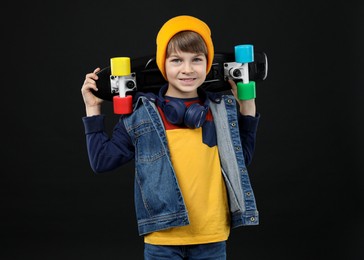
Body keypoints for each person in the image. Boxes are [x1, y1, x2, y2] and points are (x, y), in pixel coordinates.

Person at [81, 15, 260, 260]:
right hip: (163, 238)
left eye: (196, 59)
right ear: (163, 64)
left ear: (208, 64)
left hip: (212, 237)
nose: (187, 69)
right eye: (177, 60)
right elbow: (102, 161)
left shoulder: (220, 110)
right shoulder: (142, 113)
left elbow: (242, 160)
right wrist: (93, 109)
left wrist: (247, 108)